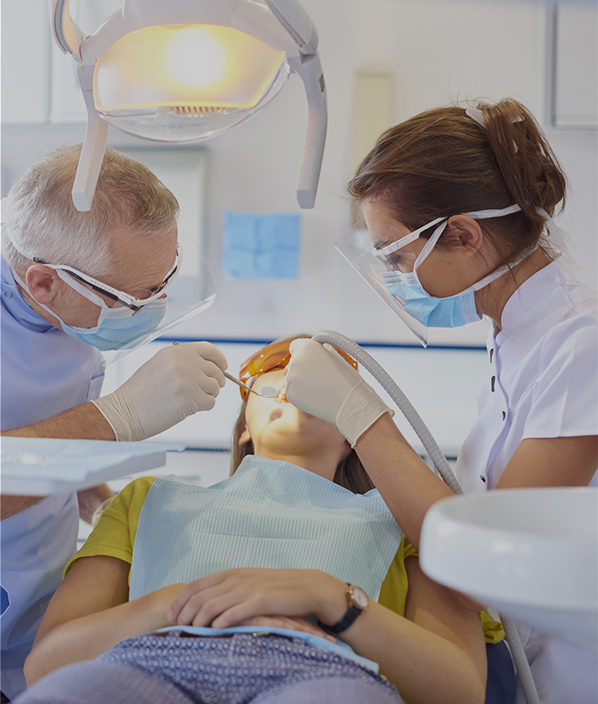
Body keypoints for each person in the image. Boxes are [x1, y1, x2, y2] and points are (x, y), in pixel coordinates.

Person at [284, 99, 598, 704]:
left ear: (463, 234)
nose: (396, 277)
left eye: (397, 256)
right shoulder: (513, 334)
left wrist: (360, 415)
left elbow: (487, 564)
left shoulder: (582, 344)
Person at [14, 337, 507, 704]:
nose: (294, 378)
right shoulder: (146, 501)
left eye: (327, 382)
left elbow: (459, 690)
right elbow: (45, 667)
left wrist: (329, 597)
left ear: (352, 434)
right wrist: (178, 603)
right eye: (276, 368)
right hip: (151, 662)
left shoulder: (407, 521)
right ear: (244, 428)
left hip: (322, 672)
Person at [0, 145, 228, 701]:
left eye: (165, 280)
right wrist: (117, 416)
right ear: (43, 282)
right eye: (134, 297)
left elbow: (50, 436)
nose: (155, 305)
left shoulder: (69, 313)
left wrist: (105, 509)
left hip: (34, 615)